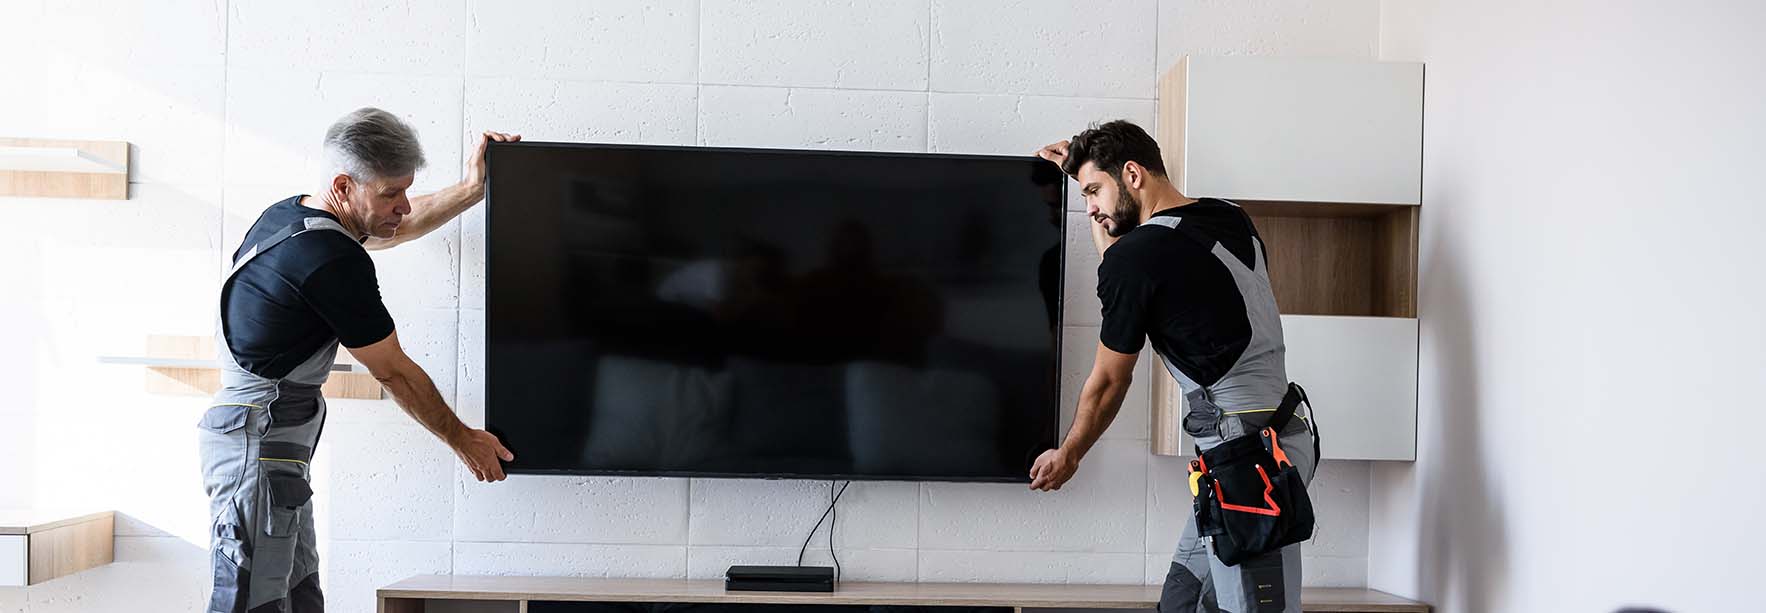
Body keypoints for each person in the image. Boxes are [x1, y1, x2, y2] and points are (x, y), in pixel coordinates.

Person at [197, 107, 520, 612]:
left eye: (406, 190)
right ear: (345, 187)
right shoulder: (329, 260)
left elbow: (403, 227)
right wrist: (465, 440)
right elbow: (393, 371)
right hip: (255, 448)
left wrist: (471, 189)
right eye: (391, 193)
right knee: (251, 602)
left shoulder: (298, 218)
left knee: (300, 596)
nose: (403, 205)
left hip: (273, 448)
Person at [1028, 120, 1318, 613]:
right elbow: (1129, 261)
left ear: (1134, 175)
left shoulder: (1137, 260)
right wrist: (1082, 173)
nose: (1092, 207)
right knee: (1183, 601)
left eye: (1095, 191)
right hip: (1282, 436)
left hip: (1247, 466)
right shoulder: (1229, 215)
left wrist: (1071, 453)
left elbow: (1107, 382)